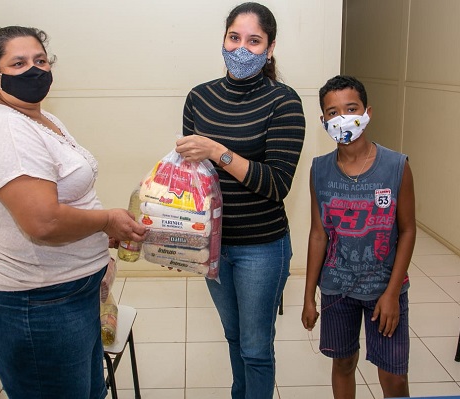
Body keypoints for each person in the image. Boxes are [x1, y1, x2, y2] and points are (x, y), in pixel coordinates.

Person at [0, 26, 146, 399]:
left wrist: (97, 230)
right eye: (18, 63)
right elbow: (43, 222)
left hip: (69, 292)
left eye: (40, 60)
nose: (33, 70)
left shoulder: (40, 117)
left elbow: (65, 199)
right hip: (37, 302)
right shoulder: (7, 132)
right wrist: (106, 220)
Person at [175, 3, 306, 398]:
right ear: (224, 39)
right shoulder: (199, 97)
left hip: (261, 247)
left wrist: (219, 151)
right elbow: (192, 176)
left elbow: (276, 184)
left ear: (270, 48)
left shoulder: (283, 101)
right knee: (233, 337)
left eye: (254, 41)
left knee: (255, 347)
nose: (241, 49)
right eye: (235, 38)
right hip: (212, 244)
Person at [301, 75, 416, 399]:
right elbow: (318, 234)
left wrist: (392, 293)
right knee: (343, 364)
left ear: (367, 112)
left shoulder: (396, 166)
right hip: (337, 289)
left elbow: (407, 230)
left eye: (351, 109)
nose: (343, 119)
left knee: (394, 377)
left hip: (384, 290)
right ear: (324, 121)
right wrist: (310, 296)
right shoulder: (319, 169)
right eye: (333, 113)